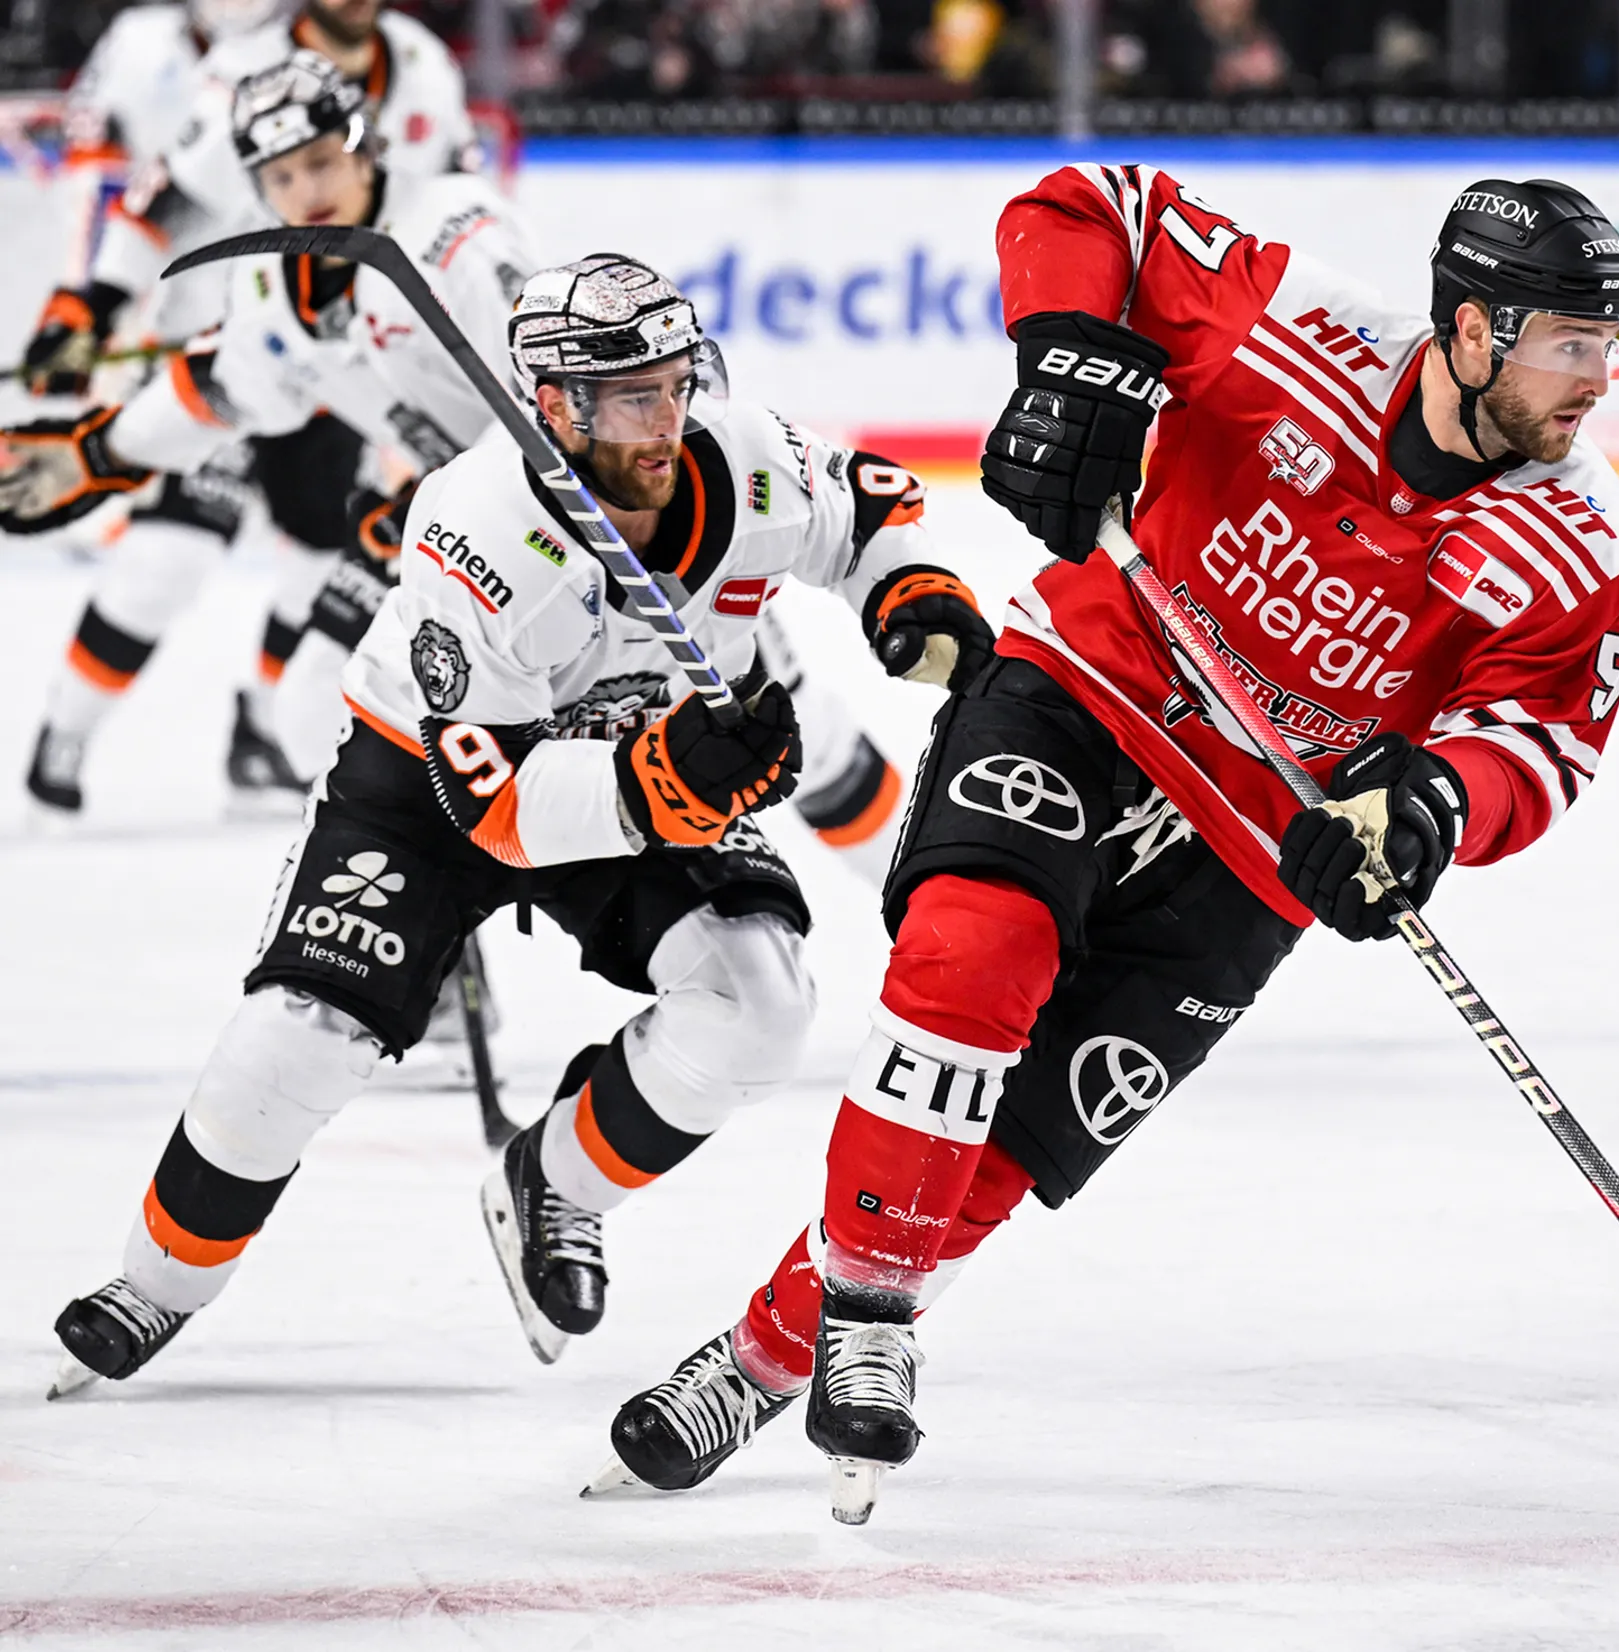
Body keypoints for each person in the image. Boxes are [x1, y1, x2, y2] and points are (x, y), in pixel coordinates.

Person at [592, 165, 1619, 1522]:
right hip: (1088, 691)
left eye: (1611, 343)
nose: (1599, 378)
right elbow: (1092, 206)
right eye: (1572, 342)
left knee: (1009, 1148)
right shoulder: (1298, 326)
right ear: (1470, 328)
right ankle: (870, 1311)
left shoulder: (1583, 540)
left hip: (1261, 837)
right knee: (975, 958)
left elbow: (1540, 742)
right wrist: (1068, 359)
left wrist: (1430, 805)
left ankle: (761, 1358)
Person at [19, 227, 994, 1394]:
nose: (666, 422)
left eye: (676, 385)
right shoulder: (475, 526)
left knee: (760, 1004)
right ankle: (159, 1281)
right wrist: (666, 783)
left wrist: (911, 592)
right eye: (630, 398)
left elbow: (866, 506)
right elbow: (499, 808)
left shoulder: (744, 459)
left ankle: (554, 1183)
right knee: (291, 1043)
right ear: (556, 407)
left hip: (632, 757)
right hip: (431, 783)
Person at [19, 0, 478, 814]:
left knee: (319, 558)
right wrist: (92, 303)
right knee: (170, 557)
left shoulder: (425, 67)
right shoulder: (243, 74)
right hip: (233, 344)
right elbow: (164, 197)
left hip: (341, 362)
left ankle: (264, 732)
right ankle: (66, 734)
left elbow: (455, 204)